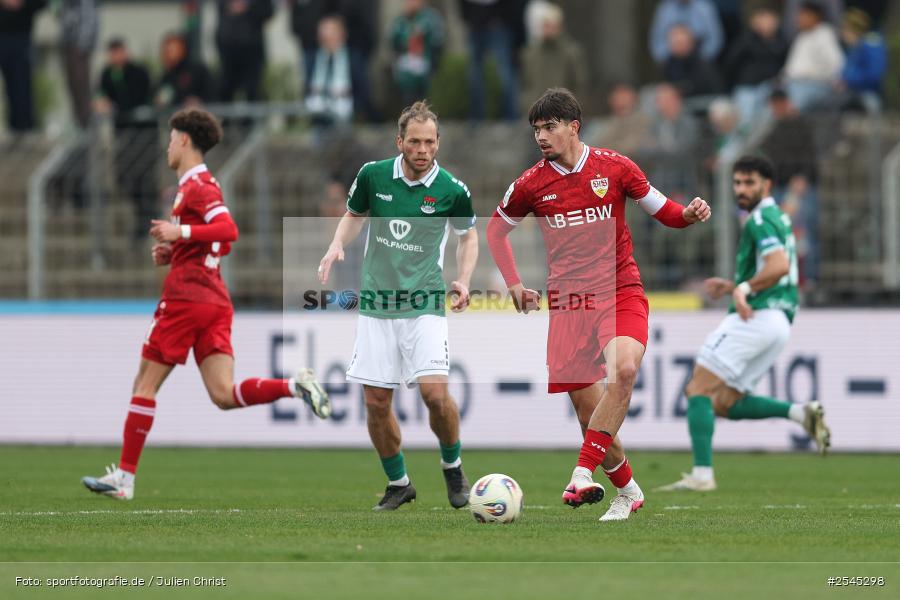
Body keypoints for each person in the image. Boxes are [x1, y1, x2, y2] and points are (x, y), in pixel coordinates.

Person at [486, 88, 711, 522]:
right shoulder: (531, 184)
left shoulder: (615, 167)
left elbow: (663, 210)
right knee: (591, 412)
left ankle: (580, 473)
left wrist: (689, 213)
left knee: (623, 369)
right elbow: (496, 232)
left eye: (549, 127)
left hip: (618, 288)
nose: (541, 137)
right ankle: (627, 491)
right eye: (536, 129)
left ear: (574, 126)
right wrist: (514, 284)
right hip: (569, 303)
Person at [82, 108, 330, 501]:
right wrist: (178, 249)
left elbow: (229, 228)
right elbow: (221, 243)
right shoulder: (196, 185)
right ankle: (293, 386)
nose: (167, 146)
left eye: (169, 138)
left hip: (187, 297)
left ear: (183, 139)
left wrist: (177, 231)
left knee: (144, 384)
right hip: (214, 298)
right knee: (223, 394)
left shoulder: (197, 185)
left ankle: (124, 478)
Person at [317, 101, 478, 511]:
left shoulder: (452, 190)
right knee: (375, 402)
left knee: (435, 395)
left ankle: (453, 466)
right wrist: (337, 244)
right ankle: (399, 482)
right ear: (400, 142)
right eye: (415, 141)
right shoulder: (372, 176)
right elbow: (354, 215)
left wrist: (463, 279)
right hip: (376, 303)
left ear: (438, 143)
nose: (423, 149)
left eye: (430, 142)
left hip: (424, 303)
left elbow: (468, 237)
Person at [658, 155, 830, 492]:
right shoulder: (778, 215)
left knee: (698, 390)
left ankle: (702, 475)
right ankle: (800, 413)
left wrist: (745, 288)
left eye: (749, 182)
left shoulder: (760, 218)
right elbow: (778, 268)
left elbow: (779, 265)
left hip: (757, 316)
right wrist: (735, 284)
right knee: (726, 402)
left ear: (767, 185)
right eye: (737, 182)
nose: (741, 188)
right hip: (779, 320)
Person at [96, 38, 156, 240]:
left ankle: (146, 219)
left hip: (143, 134)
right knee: (124, 177)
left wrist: (114, 103)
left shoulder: (138, 72)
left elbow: (136, 98)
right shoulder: (107, 74)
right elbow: (101, 95)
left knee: (143, 179)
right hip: (122, 135)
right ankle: (143, 218)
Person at [723, 5, 787, 129]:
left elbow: (784, 63)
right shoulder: (745, 40)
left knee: (769, 122)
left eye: (771, 20)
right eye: (764, 20)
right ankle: (736, 148)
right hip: (747, 87)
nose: (768, 24)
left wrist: (770, 39)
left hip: (770, 88)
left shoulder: (781, 41)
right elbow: (730, 64)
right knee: (744, 123)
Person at [519, 3, 587, 114]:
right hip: (537, 114)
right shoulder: (530, 54)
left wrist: (570, 111)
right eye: (545, 25)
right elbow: (525, 84)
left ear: (559, 26)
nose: (547, 30)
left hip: (563, 114)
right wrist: (527, 107)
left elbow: (579, 84)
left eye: (551, 26)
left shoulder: (571, 53)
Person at [782, 1, 844, 111]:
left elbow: (836, 65)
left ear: (814, 17)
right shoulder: (801, 36)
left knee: (791, 106)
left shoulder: (825, 35)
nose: (798, 18)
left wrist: (815, 77)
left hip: (813, 86)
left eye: (803, 15)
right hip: (791, 83)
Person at [0, 0, 47, 132]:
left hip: (22, 37)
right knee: (9, 86)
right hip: (2, 36)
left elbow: (42, 4)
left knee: (22, 83)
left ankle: (26, 125)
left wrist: (22, 3)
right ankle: (13, 126)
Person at [215, 0, 275, 102]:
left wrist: (248, 7)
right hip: (228, 45)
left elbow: (268, 11)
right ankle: (225, 118)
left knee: (253, 90)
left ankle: (251, 117)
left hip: (252, 47)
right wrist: (231, 7)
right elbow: (220, 5)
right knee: (226, 88)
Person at [389, 0, 445, 107]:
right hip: (406, 70)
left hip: (425, 68)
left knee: (425, 103)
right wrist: (407, 37)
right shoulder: (400, 20)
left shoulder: (430, 18)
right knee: (408, 103)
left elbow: (437, 41)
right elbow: (393, 41)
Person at [649, 0, 723, 64]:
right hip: (673, 61)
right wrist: (665, 58)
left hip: (699, 58)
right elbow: (657, 40)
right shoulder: (665, 9)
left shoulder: (705, 8)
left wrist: (704, 58)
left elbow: (715, 38)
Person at [155, 32, 215, 108]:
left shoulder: (197, 70)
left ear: (183, 49)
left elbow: (213, 95)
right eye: (166, 51)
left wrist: (200, 102)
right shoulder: (165, 78)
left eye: (172, 50)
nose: (168, 54)